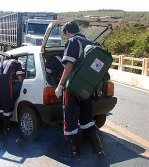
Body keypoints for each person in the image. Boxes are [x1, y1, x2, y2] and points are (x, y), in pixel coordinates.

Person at [55, 21, 105, 160]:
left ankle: (74, 155)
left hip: (73, 87)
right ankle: (99, 151)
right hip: (87, 88)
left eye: (65, 35)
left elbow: (69, 66)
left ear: (67, 32)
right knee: (87, 119)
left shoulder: (72, 41)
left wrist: (60, 85)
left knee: (70, 121)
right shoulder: (89, 42)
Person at [0, 55, 24, 135]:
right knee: (7, 105)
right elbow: (20, 79)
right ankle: (7, 129)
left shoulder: (1, 62)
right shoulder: (17, 63)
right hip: (4, 84)